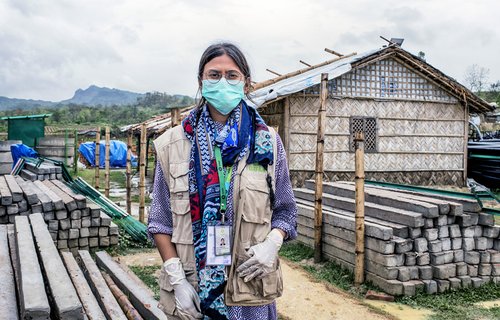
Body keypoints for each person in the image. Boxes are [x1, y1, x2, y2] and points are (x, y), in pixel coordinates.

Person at [148, 42, 297, 320]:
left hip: (249, 287)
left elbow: (286, 212)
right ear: (201, 82)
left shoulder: (268, 144)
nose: (223, 82)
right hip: (193, 286)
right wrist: (176, 280)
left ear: (247, 83)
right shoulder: (171, 145)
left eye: (232, 75)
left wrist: (272, 244)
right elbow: (160, 221)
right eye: (214, 75)